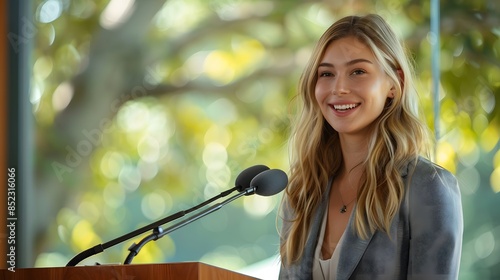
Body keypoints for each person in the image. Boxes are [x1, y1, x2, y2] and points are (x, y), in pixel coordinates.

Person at [278, 14, 463, 280]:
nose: (339, 88)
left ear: (393, 83)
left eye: (358, 72)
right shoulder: (303, 191)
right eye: (326, 73)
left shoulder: (428, 187)